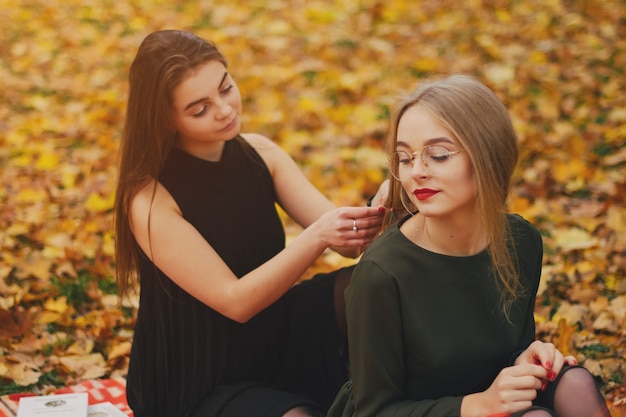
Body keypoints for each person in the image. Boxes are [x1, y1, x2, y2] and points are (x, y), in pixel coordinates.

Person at [113, 29, 386, 417]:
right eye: (199, 108)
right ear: (166, 118)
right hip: (201, 374)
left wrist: (387, 202)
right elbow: (235, 302)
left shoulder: (261, 153)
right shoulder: (150, 198)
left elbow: (350, 244)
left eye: (226, 88)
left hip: (276, 331)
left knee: (374, 284)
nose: (224, 109)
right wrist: (317, 237)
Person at [327, 75, 612, 417]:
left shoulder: (521, 242)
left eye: (439, 155)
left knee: (575, 384)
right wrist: (476, 405)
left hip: (493, 400)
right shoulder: (382, 273)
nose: (417, 171)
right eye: (405, 158)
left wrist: (528, 358)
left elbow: (508, 351)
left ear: (487, 155)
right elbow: (373, 410)